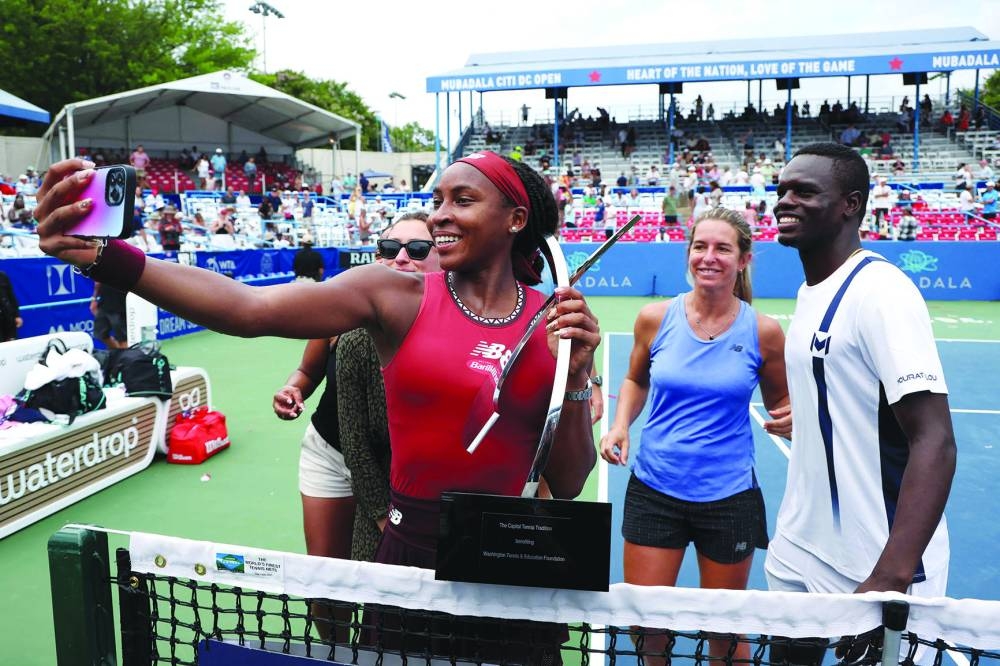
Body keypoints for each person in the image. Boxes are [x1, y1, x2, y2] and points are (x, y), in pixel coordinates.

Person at [34, 152, 599, 661]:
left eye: (463, 200)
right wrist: (109, 259)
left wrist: (574, 377)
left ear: (516, 219)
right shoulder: (394, 295)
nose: (439, 215)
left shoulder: (556, 319)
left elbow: (570, 480)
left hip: (511, 565)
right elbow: (245, 309)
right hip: (407, 558)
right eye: (437, 201)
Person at [769, 143, 955, 662]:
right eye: (781, 190)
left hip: (878, 560)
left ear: (851, 204)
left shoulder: (881, 292)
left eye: (805, 191)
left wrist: (890, 576)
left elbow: (934, 440)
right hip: (800, 546)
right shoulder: (810, 293)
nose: (785, 201)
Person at [600, 207, 790, 663]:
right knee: (647, 626)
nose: (709, 257)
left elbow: (783, 402)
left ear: (743, 260)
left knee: (723, 632)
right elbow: (635, 379)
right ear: (688, 254)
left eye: (723, 248)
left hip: (729, 498)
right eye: (700, 246)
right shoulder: (654, 318)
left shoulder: (764, 333)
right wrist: (621, 424)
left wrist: (791, 417)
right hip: (655, 490)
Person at [90, 282, 128, 349]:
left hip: (120, 304)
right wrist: (94, 299)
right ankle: (119, 353)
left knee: (122, 337)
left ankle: (125, 356)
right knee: (100, 333)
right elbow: (97, 283)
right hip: (104, 303)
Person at [0, 270, 22, 341]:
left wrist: (17, 315)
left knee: (11, 344)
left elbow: (11, 297)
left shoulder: (3, 276)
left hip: (8, 318)